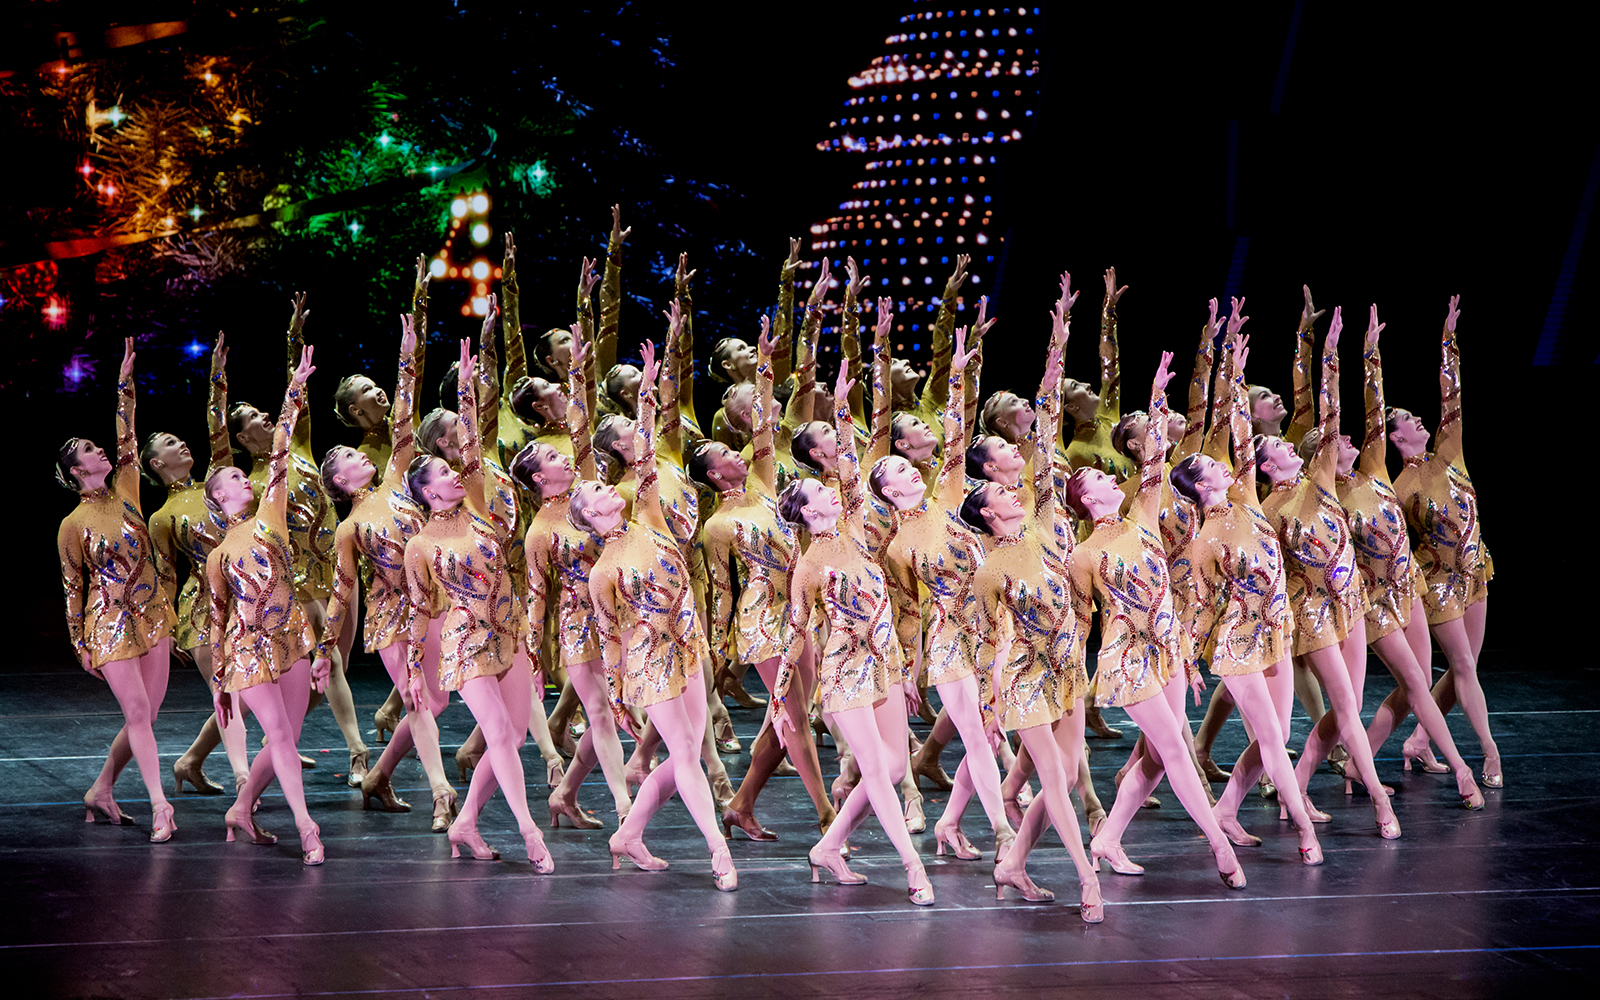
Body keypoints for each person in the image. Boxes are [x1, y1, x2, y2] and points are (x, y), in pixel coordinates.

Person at [1064, 343, 1249, 889]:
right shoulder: (1083, 554)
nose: (1109, 480)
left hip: (1168, 649)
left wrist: (1159, 397)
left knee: (1156, 757)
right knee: (1175, 750)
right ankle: (1220, 846)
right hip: (1126, 661)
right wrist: (1079, 679)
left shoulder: (1142, 516)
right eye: (1098, 479)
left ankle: (1108, 836)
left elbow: (1151, 464)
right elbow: (1079, 623)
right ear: (1085, 496)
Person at [960, 301, 1103, 920]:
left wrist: (1059, 337)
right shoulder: (987, 568)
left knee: (1068, 779)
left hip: (1067, 665)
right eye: (998, 488)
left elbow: (1045, 426)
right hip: (1022, 680)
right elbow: (989, 643)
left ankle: (1013, 862)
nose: (1012, 487)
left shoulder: (1045, 521)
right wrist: (992, 713)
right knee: (1054, 781)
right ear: (986, 509)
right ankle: (1086, 878)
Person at [1170, 299, 1323, 865]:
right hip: (1237, 646)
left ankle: (1226, 809)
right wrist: (1190, 658)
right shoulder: (1205, 539)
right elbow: (1200, 607)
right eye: (1211, 466)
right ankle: (1306, 828)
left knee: (1273, 738)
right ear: (1198, 484)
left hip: (1277, 631)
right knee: (1274, 742)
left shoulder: (1246, 499)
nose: (1223, 465)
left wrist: (1234, 362)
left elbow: (1236, 432)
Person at [774, 360, 932, 906]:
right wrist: (779, 698)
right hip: (842, 675)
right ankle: (913, 867)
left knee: (893, 764)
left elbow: (847, 465)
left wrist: (842, 406)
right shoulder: (809, 567)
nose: (834, 493)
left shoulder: (857, 534)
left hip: (882, 665)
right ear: (805, 511)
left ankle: (828, 846)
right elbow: (795, 632)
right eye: (822, 494)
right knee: (879, 773)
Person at [583, 341, 735, 891]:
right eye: (599, 499)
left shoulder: (648, 516)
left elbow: (644, 456)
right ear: (590, 519)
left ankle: (628, 834)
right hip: (649, 662)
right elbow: (609, 640)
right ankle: (717, 848)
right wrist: (622, 694)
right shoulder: (601, 572)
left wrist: (648, 391)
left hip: (688, 645)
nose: (610, 497)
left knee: (689, 750)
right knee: (684, 755)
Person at [403, 340, 554, 873]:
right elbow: (420, 609)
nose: (452, 474)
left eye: (451, 470)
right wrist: (414, 673)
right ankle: (529, 831)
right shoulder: (419, 544)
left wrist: (466, 386)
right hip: (464, 643)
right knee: (499, 736)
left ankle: (465, 821)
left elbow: (469, 442)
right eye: (441, 475)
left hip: (508, 633)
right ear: (425, 492)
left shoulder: (476, 509)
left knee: (513, 736)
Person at [875, 321, 1019, 860]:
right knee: (979, 737)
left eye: (909, 468)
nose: (911, 473)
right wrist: (910, 672)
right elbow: (904, 610)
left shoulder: (948, 496)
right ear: (886, 491)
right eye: (897, 472)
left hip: (998, 628)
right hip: (948, 641)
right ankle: (1002, 829)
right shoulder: (895, 546)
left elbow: (956, 435)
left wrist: (957, 374)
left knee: (994, 732)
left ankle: (949, 824)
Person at [1256, 307, 1401, 839]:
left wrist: (1335, 356)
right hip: (1311, 613)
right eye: (1277, 447)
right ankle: (1382, 803)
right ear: (1265, 466)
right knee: (1343, 708)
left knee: (1347, 711)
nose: (1289, 446)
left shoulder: (1317, 481)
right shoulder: (1267, 509)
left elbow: (1333, 417)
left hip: (1352, 602)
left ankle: (1278, 787)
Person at [697, 315, 834, 840]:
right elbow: (722, 590)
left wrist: (765, 364)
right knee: (795, 716)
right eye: (723, 455)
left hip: (798, 606)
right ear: (714, 474)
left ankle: (740, 802)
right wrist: (719, 645)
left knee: (791, 716)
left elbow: (761, 426)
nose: (735, 453)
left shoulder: (763, 482)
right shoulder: (716, 524)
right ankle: (825, 811)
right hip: (762, 619)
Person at [318, 313, 458, 829]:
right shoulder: (348, 529)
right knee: (421, 704)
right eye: (350, 456)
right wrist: (324, 650)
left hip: (434, 603)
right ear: (339, 478)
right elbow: (340, 593)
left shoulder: (401, 480)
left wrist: (409, 353)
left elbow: (402, 414)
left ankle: (378, 775)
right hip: (392, 617)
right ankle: (442, 793)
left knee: (436, 701)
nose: (362, 453)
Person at [205, 346, 329, 863]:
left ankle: (241, 809)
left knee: (289, 735)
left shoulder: (270, 520)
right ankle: (306, 826)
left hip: (293, 637)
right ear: (217, 499)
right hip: (247, 650)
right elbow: (217, 620)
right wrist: (218, 682)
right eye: (233, 478)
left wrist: (294, 390)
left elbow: (279, 452)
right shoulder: (217, 555)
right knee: (279, 735)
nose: (243, 479)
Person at [57, 337, 178, 842]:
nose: (100, 449)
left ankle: (102, 789)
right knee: (136, 714)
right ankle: (160, 806)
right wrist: (79, 641)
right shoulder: (70, 524)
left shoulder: (127, 488)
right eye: (89, 450)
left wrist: (124, 383)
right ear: (77, 472)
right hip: (106, 625)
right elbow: (72, 587)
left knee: (145, 715)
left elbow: (127, 436)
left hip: (153, 614)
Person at [518, 322, 634, 827]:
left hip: (623, 608)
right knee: (603, 713)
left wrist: (580, 368)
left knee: (618, 707)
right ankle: (625, 803)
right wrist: (535, 659)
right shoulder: (540, 532)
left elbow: (583, 426)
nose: (563, 454)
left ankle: (564, 793)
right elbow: (536, 600)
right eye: (550, 457)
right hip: (579, 625)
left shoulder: (588, 489)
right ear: (539, 479)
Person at [1388, 296, 1499, 788]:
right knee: (1461, 667)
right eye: (1409, 420)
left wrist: (1447, 343)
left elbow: (1452, 398)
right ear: (1395, 437)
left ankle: (1418, 742)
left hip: (1476, 571)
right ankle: (1490, 754)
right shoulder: (1397, 487)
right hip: (1436, 584)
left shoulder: (1449, 453)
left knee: (1464, 670)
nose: (1420, 421)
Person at [145, 332, 249, 796]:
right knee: (228, 694)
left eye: (181, 439)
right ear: (154, 462)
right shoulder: (162, 517)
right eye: (171, 443)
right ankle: (245, 777)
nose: (182, 445)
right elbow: (165, 576)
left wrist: (217, 380)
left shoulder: (216, 484)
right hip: (203, 608)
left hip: (248, 595)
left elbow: (218, 431)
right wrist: (167, 630)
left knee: (248, 693)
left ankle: (190, 761)